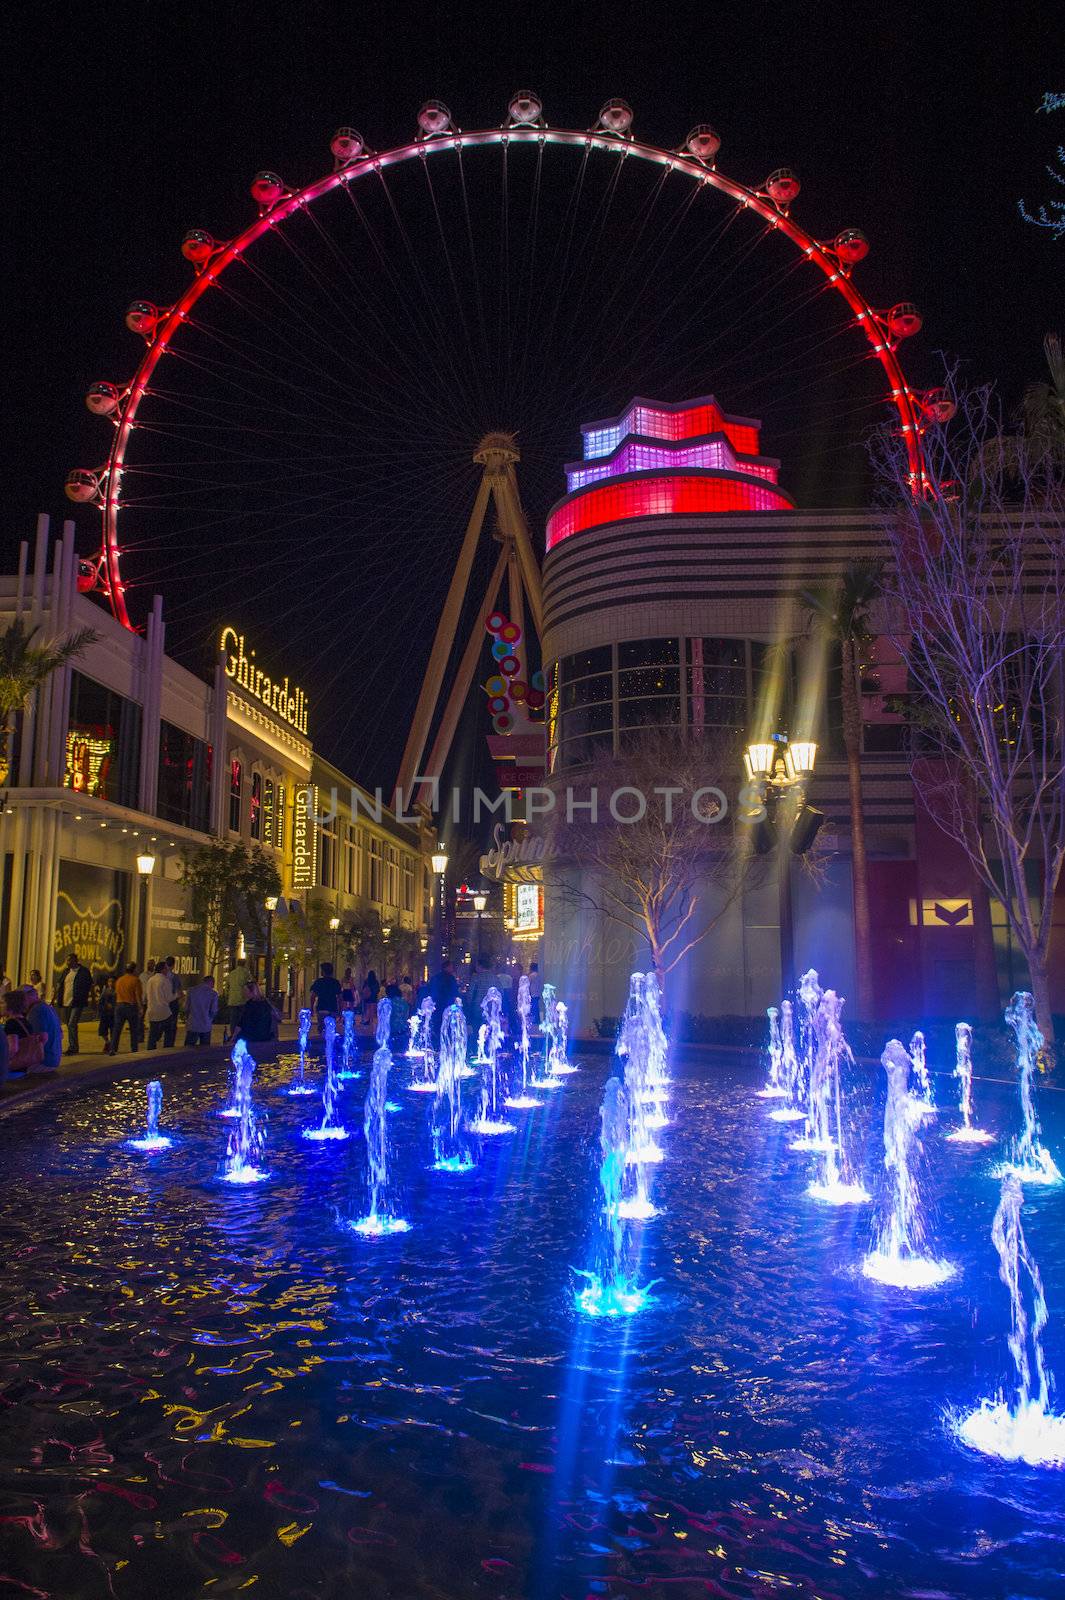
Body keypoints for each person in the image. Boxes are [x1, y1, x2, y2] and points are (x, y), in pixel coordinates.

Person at [54, 951, 93, 1056]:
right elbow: (60, 984)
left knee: (72, 1023)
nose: (67, 962)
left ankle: (73, 1047)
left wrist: (91, 1000)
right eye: (67, 960)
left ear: (75, 961)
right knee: (68, 1024)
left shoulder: (84, 971)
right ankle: (73, 1045)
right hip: (66, 1001)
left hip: (77, 1002)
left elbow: (90, 985)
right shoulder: (66, 971)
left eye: (69, 960)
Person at [24, 985, 63, 1071]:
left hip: (44, 1061)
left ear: (28, 997)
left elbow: (40, 1039)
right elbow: (61, 1034)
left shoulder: (36, 1011)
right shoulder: (47, 1007)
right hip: (54, 1058)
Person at [109, 963, 144, 1053]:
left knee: (117, 1029)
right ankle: (134, 1049)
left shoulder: (119, 980)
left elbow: (116, 993)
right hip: (131, 1007)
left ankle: (113, 1048)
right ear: (134, 970)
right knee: (133, 1029)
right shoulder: (135, 980)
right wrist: (141, 1008)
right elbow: (137, 996)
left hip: (119, 1006)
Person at [4, 989, 40, 1074]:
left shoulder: (11, 1023)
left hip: (13, 1070)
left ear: (10, 1005)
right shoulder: (25, 1021)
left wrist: (3, 1062)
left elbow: (13, 1049)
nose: (1, 1005)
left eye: (3, 1002)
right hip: (23, 1068)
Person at [230, 980, 278, 1044]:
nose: (244, 993)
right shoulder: (266, 1003)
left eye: (246, 991)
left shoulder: (250, 1005)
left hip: (252, 1036)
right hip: (265, 1035)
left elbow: (242, 1022)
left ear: (251, 992)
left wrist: (233, 1037)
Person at [145, 962, 174, 1050]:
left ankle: (150, 1052)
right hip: (163, 1011)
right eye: (166, 968)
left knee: (152, 1035)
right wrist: (177, 995)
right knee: (169, 1033)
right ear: (163, 969)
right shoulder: (165, 980)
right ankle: (167, 1051)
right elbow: (169, 998)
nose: (168, 970)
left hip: (152, 1010)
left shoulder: (150, 980)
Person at [222, 957, 252, 1041]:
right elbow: (251, 984)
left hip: (232, 1000)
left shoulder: (232, 973)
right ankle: (241, 1035)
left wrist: (227, 995)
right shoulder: (246, 973)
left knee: (233, 1020)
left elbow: (227, 985)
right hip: (242, 1000)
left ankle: (233, 1035)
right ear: (245, 964)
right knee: (242, 1019)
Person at [185, 974, 219, 1045]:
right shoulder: (213, 994)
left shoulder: (191, 991)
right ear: (211, 982)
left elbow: (186, 1007)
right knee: (204, 1051)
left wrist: (187, 1019)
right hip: (205, 1025)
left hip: (192, 1024)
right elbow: (213, 1010)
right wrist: (210, 1019)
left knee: (187, 1050)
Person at [310, 961, 342, 1031]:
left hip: (322, 1008)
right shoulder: (335, 982)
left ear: (323, 971)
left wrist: (312, 1008)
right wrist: (340, 1010)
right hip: (332, 1008)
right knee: (331, 1028)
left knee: (321, 1026)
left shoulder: (318, 982)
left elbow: (313, 996)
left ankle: (322, 1038)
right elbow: (340, 998)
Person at [163, 956, 184, 1048]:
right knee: (172, 1026)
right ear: (174, 965)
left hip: (163, 1002)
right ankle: (169, 1044)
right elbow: (179, 990)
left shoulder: (161, 976)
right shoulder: (175, 977)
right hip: (173, 1003)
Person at [97, 975, 117, 1052]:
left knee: (113, 1031)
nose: (111, 983)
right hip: (105, 1014)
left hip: (113, 1014)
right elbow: (101, 1001)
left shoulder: (117, 991)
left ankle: (112, 1046)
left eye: (112, 981)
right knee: (102, 1031)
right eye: (109, 981)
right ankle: (107, 1042)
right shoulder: (105, 991)